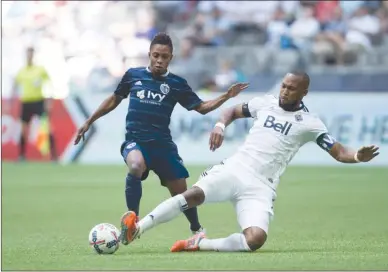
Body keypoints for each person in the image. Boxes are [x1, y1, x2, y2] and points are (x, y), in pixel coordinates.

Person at [118, 71, 380, 252]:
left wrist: (357, 156)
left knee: (255, 240)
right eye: (284, 85)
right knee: (193, 194)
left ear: (304, 92)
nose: (285, 91)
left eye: (291, 88)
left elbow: (337, 151)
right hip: (235, 169)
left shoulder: (310, 124)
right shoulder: (264, 103)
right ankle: (138, 229)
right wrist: (221, 125)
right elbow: (232, 110)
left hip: (261, 186)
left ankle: (199, 244)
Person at [74, 32, 249, 243]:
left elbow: (202, 108)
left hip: (163, 146)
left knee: (181, 193)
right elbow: (114, 99)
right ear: (149, 54)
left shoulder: (176, 84)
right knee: (136, 165)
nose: (159, 60)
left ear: (170, 58)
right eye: (156, 55)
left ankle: (197, 229)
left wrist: (226, 96)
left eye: (164, 56)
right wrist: (88, 121)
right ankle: (132, 222)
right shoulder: (133, 76)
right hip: (136, 141)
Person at [9, 47, 57, 162]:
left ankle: (54, 156)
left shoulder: (40, 70)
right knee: (24, 129)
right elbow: (15, 86)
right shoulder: (22, 71)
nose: (29, 56)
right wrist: (11, 100)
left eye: (31, 54)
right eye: (27, 54)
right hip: (26, 102)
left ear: (33, 55)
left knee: (46, 127)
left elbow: (50, 83)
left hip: (39, 101)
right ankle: (21, 156)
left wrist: (49, 99)